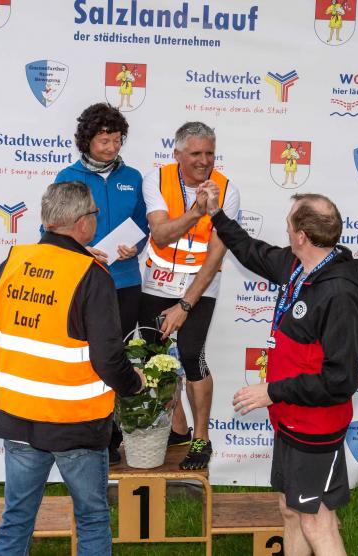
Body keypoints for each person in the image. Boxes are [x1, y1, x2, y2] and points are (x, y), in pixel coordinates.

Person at [0, 181, 145, 555]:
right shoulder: (91, 274)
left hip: (19, 416)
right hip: (77, 424)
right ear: (83, 222)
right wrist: (133, 384)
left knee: (16, 519)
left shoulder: (12, 263)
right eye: (95, 214)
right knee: (92, 519)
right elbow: (108, 359)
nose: (96, 220)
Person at [206, 189, 358, 556]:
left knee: (316, 521)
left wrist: (272, 391)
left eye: (289, 222)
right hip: (291, 420)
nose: (285, 228)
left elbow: (340, 380)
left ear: (301, 236)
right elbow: (250, 251)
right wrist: (216, 214)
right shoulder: (297, 266)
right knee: (291, 510)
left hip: (316, 426)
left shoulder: (340, 294)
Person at [137, 121, 240, 470]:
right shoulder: (156, 179)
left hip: (200, 285)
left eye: (210, 153)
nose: (204, 160)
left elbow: (215, 255)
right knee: (154, 355)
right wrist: (196, 211)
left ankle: (202, 438)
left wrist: (185, 304)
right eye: (196, 153)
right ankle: (178, 428)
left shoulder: (227, 190)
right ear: (177, 153)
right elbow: (161, 235)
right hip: (156, 282)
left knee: (193, 355)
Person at [54, 103, 148, 464]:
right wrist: (80, 248)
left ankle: (112, 436)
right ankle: (87, 431)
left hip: (125, 282)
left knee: (116, 358)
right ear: (87, 141)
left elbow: (144, 224)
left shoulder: (134, 177)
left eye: (117, 140)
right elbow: (52, 226)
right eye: (104, 141)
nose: (112, 147)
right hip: (83, 281)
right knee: (88, 358)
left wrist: (135, 246)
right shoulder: (67, 177)